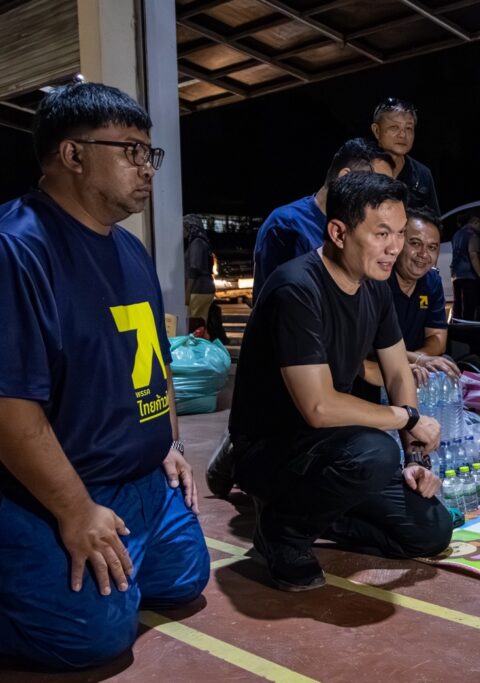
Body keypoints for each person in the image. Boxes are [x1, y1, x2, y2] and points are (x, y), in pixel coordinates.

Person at [0, 82, 208, 670]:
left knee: (186, 579)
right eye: (131, 151)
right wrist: (73, 511)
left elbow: (155, 363)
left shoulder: (128, 249)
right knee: (93, 638)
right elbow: (9, 409)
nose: (148, 168)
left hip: (141, 479)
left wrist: (167, 442)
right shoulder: (17, 249)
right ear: (72, 154)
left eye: (150, 154)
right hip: (55, 489)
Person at [229, 172, 452, 591]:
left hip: (331, 450)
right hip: (273, 450)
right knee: (373, 450)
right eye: (382, 233)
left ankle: (315, 515)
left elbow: (397, 370)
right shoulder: (296, 288)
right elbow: (319, 408)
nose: (396, 248)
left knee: (432, 531)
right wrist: (405, 419)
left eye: (401, 233)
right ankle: (282, 531)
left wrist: (416, 458)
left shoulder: (374, 287)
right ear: (338, 231)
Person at [252, 137, 395, 300]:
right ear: (344, 179)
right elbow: (284, 304)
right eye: (378, 187)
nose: (384, 200)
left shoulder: (360, 228)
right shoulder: (287, 225)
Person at [362, 205, 460, 388]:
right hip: (375, 368)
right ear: (398, 243)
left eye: (432, 247)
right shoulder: (375, 280)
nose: (423, 254)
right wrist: (414, 362)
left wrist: (418, 362)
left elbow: (437, 338)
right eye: (415, 243)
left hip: (414, 365)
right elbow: (370, 346)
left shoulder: (432, 282)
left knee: (447, 366)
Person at [370, 97, 439, 214]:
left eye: (408, 128)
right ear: (376, 131)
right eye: (394, 127)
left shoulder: (422, 174)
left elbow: (433, 220)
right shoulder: (361, 168)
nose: (403, 135)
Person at [450, 214, 480, 322]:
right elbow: (473, 255)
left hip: (456, 276)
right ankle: (469, 332)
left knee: (458, 306)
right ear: (475, 221)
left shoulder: (456, 235)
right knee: (470, 309)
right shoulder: (472, 235)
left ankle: (457, 330)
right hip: (469, 276)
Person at [184, 213, 215, 331]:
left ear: (190, 226)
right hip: (206, 287)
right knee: (201, 322)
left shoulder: (196, 243)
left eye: (184, 227)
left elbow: (194, 268)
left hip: (198, 288)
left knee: (194, 323)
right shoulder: (204, 243)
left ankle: (196, 348)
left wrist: (187, 293)